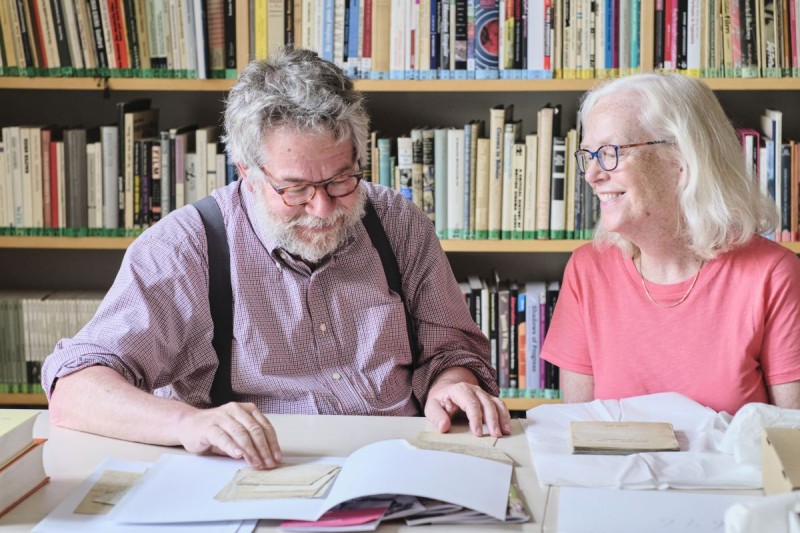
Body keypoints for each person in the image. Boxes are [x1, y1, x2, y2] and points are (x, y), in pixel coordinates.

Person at [42, 47, 510, 470]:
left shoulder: (397, 222)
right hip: (258, 471)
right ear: (246, 170)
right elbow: (75, 390)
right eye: (295, 189)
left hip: (400, 459)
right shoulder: (187, 247)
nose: (323, 208)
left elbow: (449, 347)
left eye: (340, 181)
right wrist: (187, 424)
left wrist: (452, 382)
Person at [540, 73, 800, 414]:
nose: (592, 175)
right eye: (589, 155)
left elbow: (791, 443)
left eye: (610, 152)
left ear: (680, 158)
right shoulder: (588, 269)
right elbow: (581, 431)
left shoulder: (773, 275)